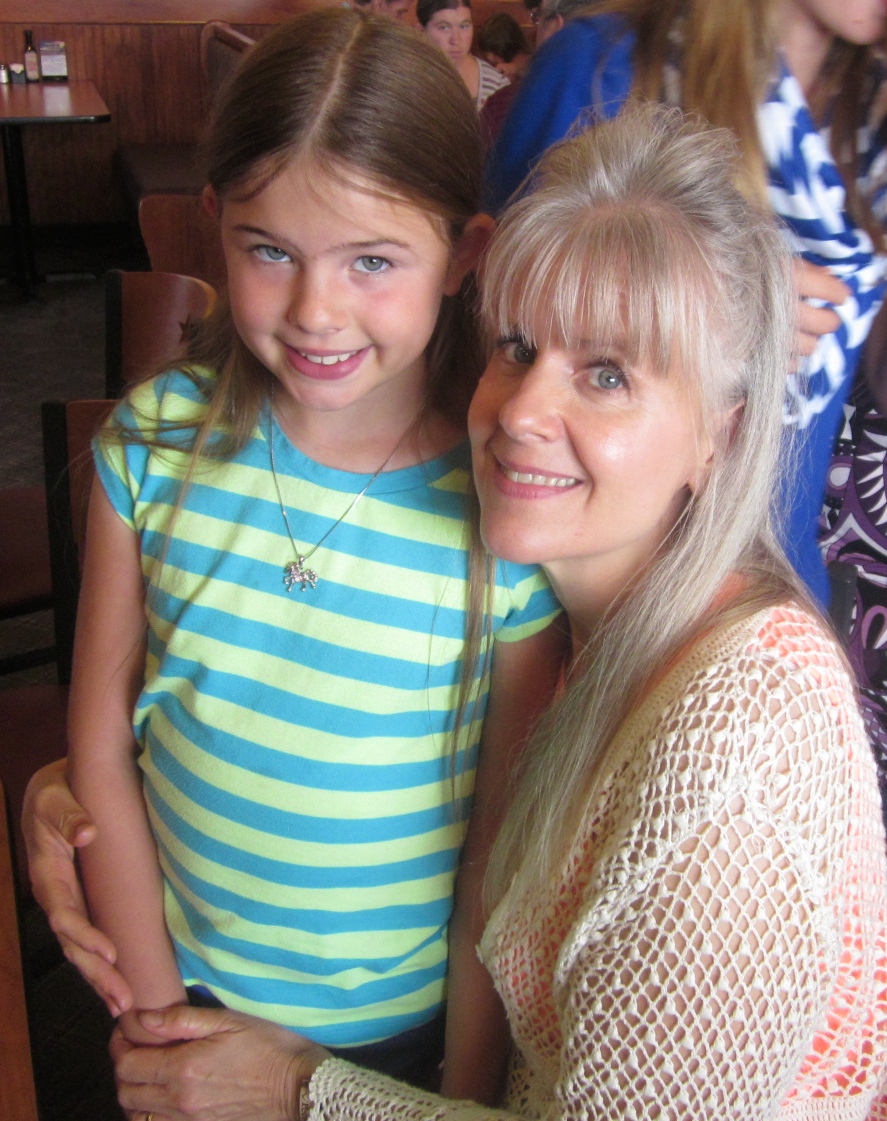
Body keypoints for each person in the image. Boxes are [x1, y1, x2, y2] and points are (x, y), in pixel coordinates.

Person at [26, 103, 887, 1121]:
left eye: (605, 374)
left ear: (720, 434)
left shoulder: (735, 752)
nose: (520, 411)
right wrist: (82, 779)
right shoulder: (583, 626)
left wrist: (297, 1089)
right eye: (516, 347)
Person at [58, 6, 564, 1111]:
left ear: (461, 256)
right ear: (214, 225)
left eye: (371, 260)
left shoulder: (506, 517)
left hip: (398, 1045)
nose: (314, 311)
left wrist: (460, 1087)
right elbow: (99, 744)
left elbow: (496, 854)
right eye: (270, 251)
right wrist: (159, 1030)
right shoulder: (152, 448)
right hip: (179, 992)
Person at [483, 0, 887, 610]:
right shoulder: (603, 64)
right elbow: (491, 311)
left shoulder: (868, 114)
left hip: (773, 564)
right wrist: (716, 293)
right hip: (570, 591)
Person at [418, 0, 510, 109]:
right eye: (444, 27)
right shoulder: (408, 80)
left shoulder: (497, 84)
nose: (456, 40)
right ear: (421, 31)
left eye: (464, 26)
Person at [476, 13, 531, 79]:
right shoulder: (482, 62)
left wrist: (516, 69)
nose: (489, 57)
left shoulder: (524, 61)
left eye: (495, 52)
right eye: (486, 50)